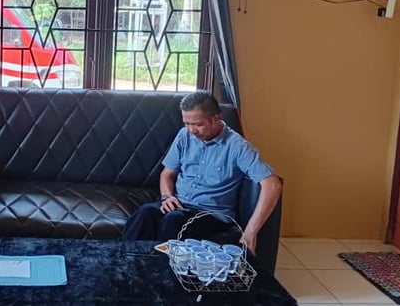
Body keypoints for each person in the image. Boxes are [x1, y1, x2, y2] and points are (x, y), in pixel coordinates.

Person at [121, 91, 283, 253]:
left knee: (173, 220)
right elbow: (166, 174)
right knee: (145, 213)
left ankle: (162, 267)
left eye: (198, 124)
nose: (192, 130)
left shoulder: (238, 147)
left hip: (210, 214)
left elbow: (272, 185)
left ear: (217, 118)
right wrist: (167, 197)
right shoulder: (184, 136)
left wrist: (250, 232)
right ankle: (122, 260)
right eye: (187, 123)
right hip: (179, 204)